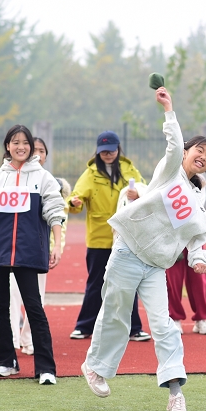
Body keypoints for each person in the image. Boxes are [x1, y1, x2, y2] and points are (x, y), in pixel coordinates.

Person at [81, 86, 206, 411]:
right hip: (127, 252)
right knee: (116, 314)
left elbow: (197, 240)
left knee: (165, 326)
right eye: (199, 150)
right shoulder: (169, 171)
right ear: (186, 152)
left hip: (156, 267)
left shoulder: (198, 204)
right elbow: (173, 143)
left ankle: (176, 396)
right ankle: (95, 367)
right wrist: (169, 110)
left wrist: (200, 259)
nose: (203, 157)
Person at [0, 125, 65, 385]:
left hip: (28, 251)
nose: (20, 147)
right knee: (0, 307)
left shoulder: (43, 177)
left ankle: (45, 368)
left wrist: (56, 244)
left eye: (25, 143)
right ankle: (5, 362)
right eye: (15, 142)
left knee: (34, 307)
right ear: (7, 146)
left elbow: (55, 210)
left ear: (31, 147)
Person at [67, 131, 151, 342]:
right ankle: (84, 326)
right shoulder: (91, 173)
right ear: (98, 152)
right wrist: (74, 203)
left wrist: (137, 194)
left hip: (125, 237)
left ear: (118, 148)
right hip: (99, 237)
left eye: (111, 150)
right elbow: (76, 197)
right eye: (104, 151)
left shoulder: (130, 170)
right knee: (96, 283)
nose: (108, 154)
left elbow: (147, 192)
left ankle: (134, 328)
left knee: (128, 283)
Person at [166, 175, 206, 335]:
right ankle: (174, 318)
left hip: (194, 236)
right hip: (174, 238)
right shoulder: (169, 176)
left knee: (199, 280)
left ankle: (202, 319)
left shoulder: (199, 180)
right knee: (172, 280)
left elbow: (199, 208)